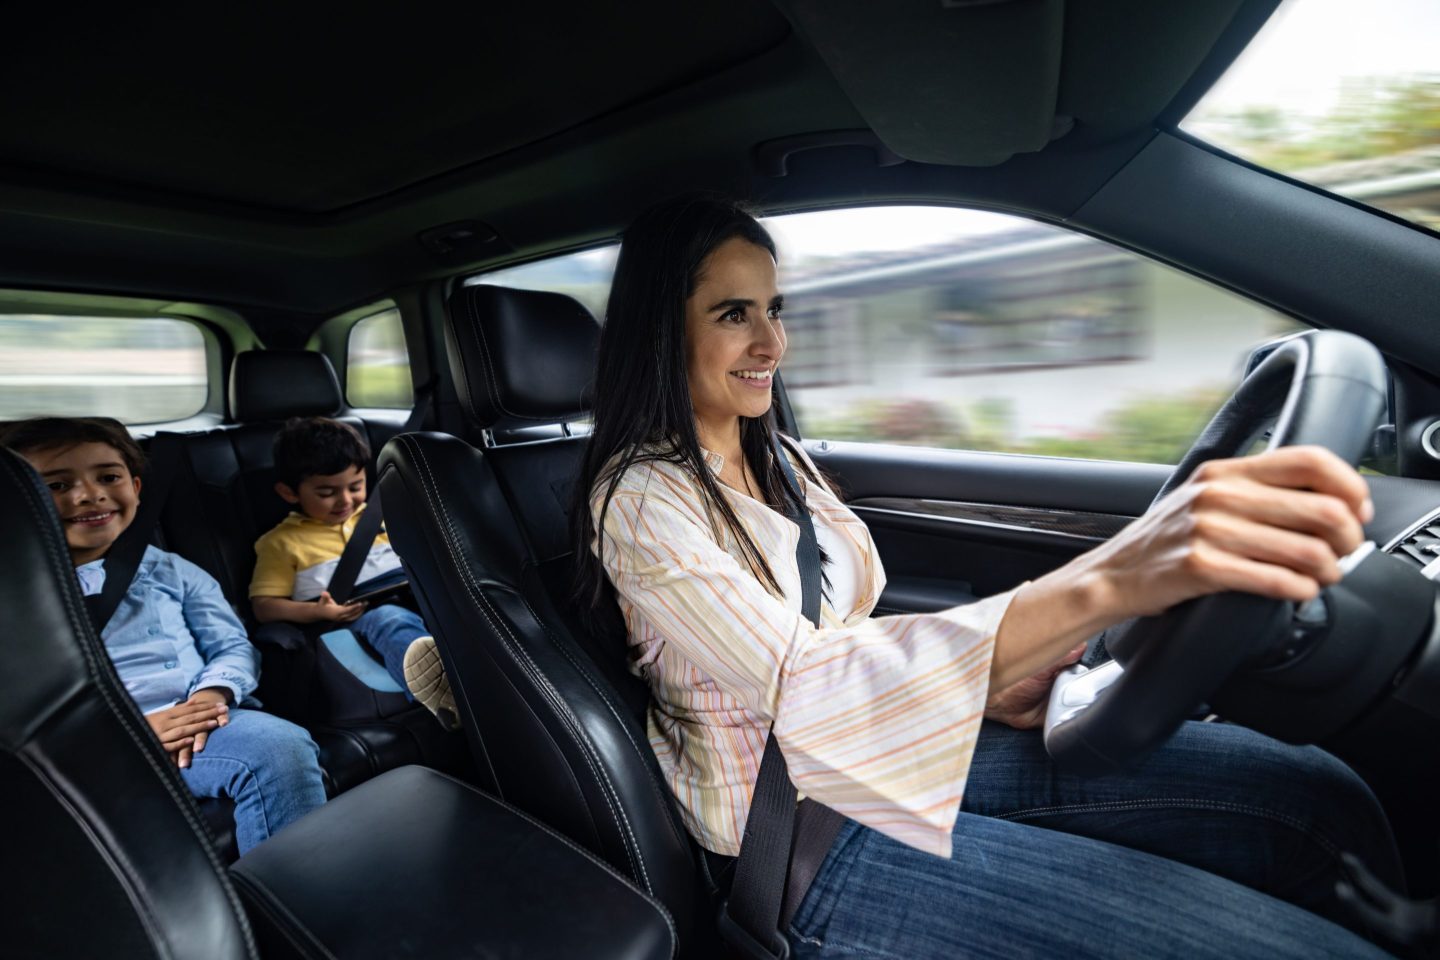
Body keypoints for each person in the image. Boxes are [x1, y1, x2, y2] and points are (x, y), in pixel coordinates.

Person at [572, 196, 1406, 958]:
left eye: (774, 308)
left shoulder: (779, 456)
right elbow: (807, 678)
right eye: (734, 314)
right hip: (796, 827)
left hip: (885, 745)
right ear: (662, 330)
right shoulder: (640, 501)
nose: (771, 344)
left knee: (1309, 799)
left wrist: (985, 688)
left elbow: (838, 630)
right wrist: (1114, 577)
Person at [3, 416, 327, 855]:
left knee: (279, 747)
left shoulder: (173, 571)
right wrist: (130, 733)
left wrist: (210, 697)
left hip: (196, 724)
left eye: (108, 477)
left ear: (136, 488)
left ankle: (290, 891)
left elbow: (232, 646)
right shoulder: (16, 591)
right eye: (58, 485)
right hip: (86, 748)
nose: (89, 494)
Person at [249, 416, 455, 727]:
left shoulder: (383, 516)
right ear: (290, 493)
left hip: (413, 596)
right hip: (350, 618)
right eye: (326, 493)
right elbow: (264, 607)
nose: (345, 500)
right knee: (391, 621)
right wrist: (318, 612)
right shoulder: (281, 542)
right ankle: (447, 696)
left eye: (356, 486)